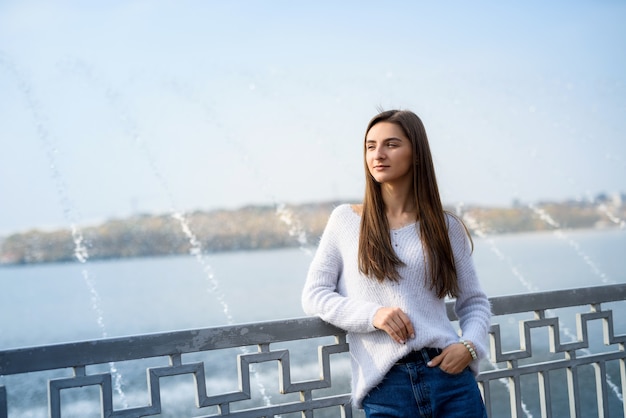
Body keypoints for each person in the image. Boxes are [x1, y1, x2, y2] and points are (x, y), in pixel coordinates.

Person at [301, 109, 491, 417]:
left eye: (391, 144)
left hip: (451, 381)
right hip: (386, 389)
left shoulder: (445, 227)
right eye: (370, 146)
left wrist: (470, 347)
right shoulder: (346, 221)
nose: (378, 154)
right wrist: (373, 314)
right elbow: (315, 295)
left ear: (416, 154)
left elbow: (474, 302)